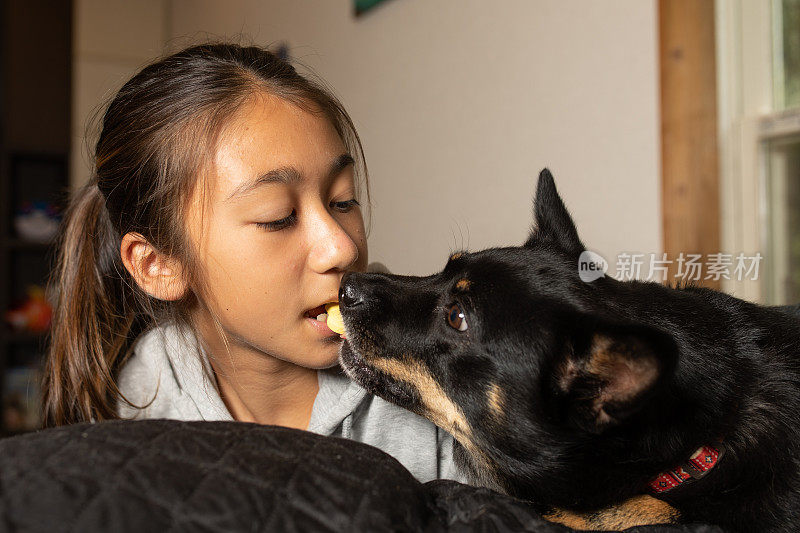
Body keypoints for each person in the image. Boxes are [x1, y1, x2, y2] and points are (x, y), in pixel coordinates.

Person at [42, 43, 463, 483]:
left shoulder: (444, 370)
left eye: (343, 201)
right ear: (158, 265)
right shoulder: (138, 412)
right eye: (278, 218)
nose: (341, 248)